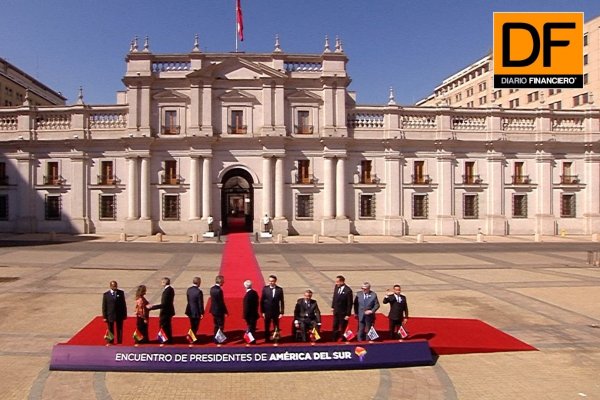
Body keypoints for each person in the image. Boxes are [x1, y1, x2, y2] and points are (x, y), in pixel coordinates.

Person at [149, 277, 175, 344]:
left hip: (165, 312)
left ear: (164, 282)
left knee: (164, 326)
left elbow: (164, 304)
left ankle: (165, 340)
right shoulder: (171, 289)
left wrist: (153, 307)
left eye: (162, 282)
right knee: (167, 326)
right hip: (169, 311)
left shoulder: (167, 291)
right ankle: (168, 339)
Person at [261, 274, 284, 342]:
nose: (271, 282)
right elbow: (262, 301)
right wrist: (262, 312)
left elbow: (281, 301)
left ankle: (276, 338)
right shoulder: (265, 289)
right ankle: (267, 339)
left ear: (275, 281)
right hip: (267, 311)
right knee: (267, 326)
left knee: (276, 325)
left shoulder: (279, 289)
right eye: (270, 281)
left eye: (272, 281)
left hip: (276, 311)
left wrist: (281, 312)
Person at [331, 275, 353, 341]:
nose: (336, 283)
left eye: (337, 282)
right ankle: (334, 338)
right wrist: (333, 306)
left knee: (343, 326)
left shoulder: (348, 291)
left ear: (342, 282)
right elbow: (334, 297)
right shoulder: (336, 287)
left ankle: (344, 339)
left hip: (343, 312)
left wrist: (348, 314)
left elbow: (350, 303)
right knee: (335, 325)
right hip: (336, 311)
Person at [210, 275, 228, 339]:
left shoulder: (212, 288)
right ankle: (219, 338)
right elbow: (221, 302)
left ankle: (215, 336)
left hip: (213, 309)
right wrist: (225, 311)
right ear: (220, 282)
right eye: (223, 281)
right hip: (219, 310)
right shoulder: (219, 290)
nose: (223, 282)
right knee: (221, 325)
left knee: (216, 324)